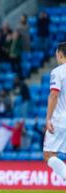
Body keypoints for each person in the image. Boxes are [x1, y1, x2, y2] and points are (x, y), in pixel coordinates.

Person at [44, 42, 66, 180]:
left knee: (48, 154)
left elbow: (54, 95)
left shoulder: (58, 72)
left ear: (60, 54)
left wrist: (48, 118)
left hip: (60, 119)